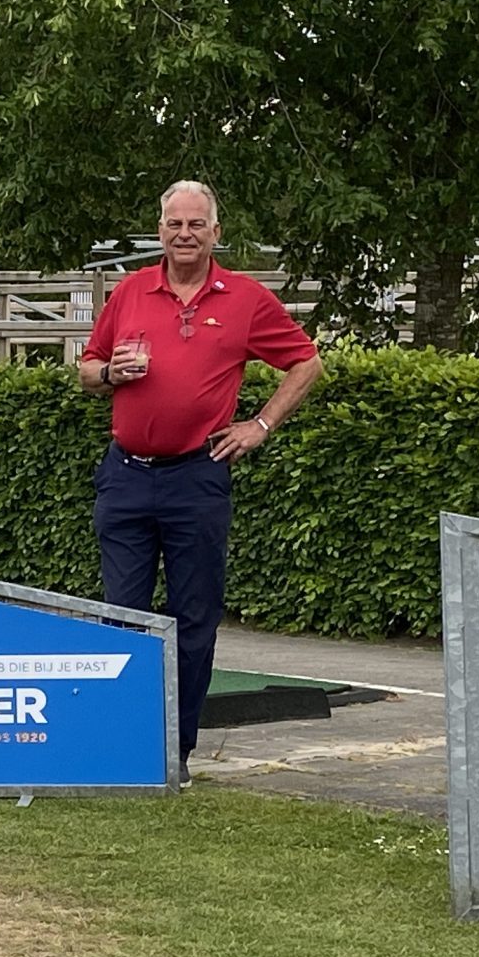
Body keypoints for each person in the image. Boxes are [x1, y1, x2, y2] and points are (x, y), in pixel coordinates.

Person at [78, 180, 323, 766]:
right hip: (127, 475)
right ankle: (122, 747)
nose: (183, 234)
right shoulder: (131, 291)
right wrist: (111, 373)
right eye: (173, 225)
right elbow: (87, 369)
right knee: (123, 616)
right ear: (159, 231)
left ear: (216, 232)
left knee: (194, 619)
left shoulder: (245, 298)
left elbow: (307, 362)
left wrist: (258, 426)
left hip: (198, 477)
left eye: (195, 225)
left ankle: (174, 752)